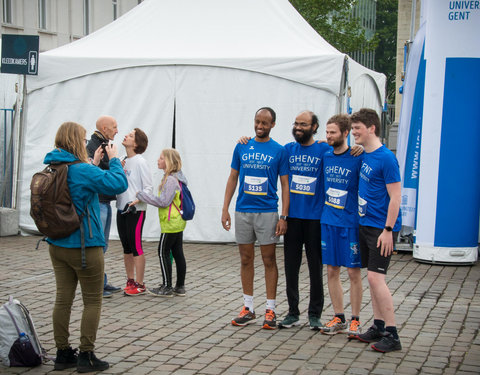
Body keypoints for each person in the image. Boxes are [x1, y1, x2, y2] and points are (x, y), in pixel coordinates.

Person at [45, 122, 127, 372]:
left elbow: (76, 185)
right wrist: (113, 160)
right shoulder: (81, 170)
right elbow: (117, 184)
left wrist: (92, 161)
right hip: (84, 245)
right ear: (73, 142)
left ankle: (62, 353)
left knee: (63, 299)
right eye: (82, 140)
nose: (85, 143)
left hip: (57, 243)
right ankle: (86, 355)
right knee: (92, 301)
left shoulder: (52, 166)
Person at [222, 107, 289, 330]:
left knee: (269, 259)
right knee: (245, 259)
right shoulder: (242, 146)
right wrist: (225, 208)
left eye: (265, 123)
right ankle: (248, 307)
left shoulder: (279, 150)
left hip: (268, 211)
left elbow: (285, 185)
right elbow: (233, 177)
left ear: (273, 125)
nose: (260, 126)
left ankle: (271, 309)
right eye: (257, 122)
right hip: (243, 211)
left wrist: (283, 216)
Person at [350, 108, 402, 353]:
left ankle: (392, 334)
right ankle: (379, 326)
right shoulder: (365, 155)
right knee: (372, 277)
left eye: (357, 128)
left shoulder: (387, 159)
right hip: (365, 224)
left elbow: (396, 197)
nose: (353, 133)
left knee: (375, 278)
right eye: (352, 129)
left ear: (371, 128)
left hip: (381, 229)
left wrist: (388, 229)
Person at [278, 111, 330, 330]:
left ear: (314, 126)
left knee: (315, 267)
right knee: (291, 266)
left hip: (315, 219)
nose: (298, 127)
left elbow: (345, 153)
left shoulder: (324, 149)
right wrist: (245, 139)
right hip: (292, 218)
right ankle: (292, 312)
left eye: (303, 124)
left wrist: (357, 147)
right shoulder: (288, 150)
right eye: (296, 123)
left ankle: (315, 314)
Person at [319, 114, 364, 338]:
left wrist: (363, 147)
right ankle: (339, 316)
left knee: (353, 272)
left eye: (333, 132)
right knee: (331, 270)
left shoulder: (357, 156)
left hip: (350, 223)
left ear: (345, 133)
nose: (328, 136)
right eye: (327, 132)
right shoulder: (325, 153)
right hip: (328, 221)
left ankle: (356, 320)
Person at [137, 149, 188, 297]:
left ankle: (167, 286)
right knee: (178, 253)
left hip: (170, 223)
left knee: (162, 252)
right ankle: (179, 286)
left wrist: (142, 196)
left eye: (160, 158)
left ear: (168, 161)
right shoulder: (177, 177)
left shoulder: (171, 179)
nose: (157, 161)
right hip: (177, 222)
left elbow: (164, 202)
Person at [86, 115, 121, 298]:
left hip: (104, 201)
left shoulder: (102, 143)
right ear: (105, 128)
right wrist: (115, 164)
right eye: (114, 127)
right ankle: (97, 285)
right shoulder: (96, 146)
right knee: (98, 245)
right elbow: (98, 173)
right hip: (99, 201)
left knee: (103, 245)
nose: (117, 130)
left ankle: (102, 282)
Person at [116, 128, 153, 296]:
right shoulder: (123, 160)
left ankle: (140, 283)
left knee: (136, 245)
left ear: (136, 143)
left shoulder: (140, 161)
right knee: (126, 246)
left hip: (135, 210)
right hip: (121, 208)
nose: (125, 136)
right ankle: (130, 280)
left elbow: (148, 188)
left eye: (130, 136)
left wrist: (138, 199)